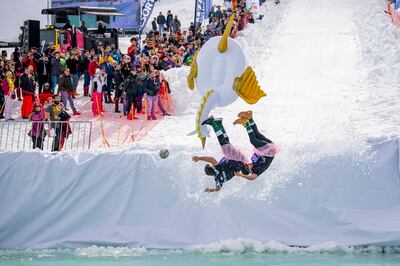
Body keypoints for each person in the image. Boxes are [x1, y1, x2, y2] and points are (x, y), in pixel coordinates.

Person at [192, 116, 251, 192]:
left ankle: (219, 123)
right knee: (224, 143)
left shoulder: (218, 179)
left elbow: (218, 189)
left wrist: (210, 190)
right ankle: (214, 123)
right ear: (212, 168)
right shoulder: (217, 170)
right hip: (237, 159)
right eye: (211, 165)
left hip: (241, 163)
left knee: (225, 143)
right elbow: (211, 159)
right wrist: (199, 158)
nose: (213, 164)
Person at [232, 111, 280, 179]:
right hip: (270, 151)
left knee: (256, 134)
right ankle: (246, 123)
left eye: (245, 165)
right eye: (247, 167)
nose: (247, 164)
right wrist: (241, 175)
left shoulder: (253, 161)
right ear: (249, 170)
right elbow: (252, 178)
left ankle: (250, 118)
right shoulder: (256, 171)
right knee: (253, 141)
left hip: (269, 146)